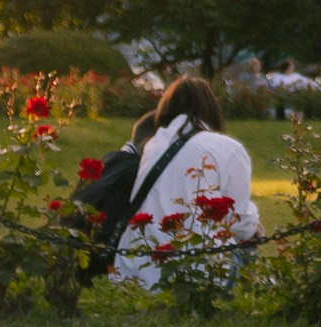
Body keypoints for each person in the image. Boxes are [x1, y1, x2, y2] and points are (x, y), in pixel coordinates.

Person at [109, 75, 262, 285]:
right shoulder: (228, 148)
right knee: (250, 233)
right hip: (199, 272)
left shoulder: (153, 145)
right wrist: (255, 226)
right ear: (212, 108)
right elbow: (241, 223)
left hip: (135, 269)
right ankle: (243, 294)